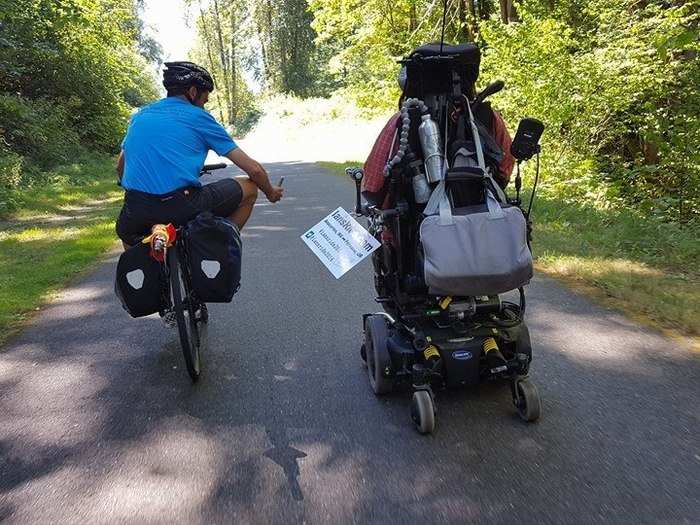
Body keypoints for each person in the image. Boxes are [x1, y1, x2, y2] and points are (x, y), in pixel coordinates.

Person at [116, 61, 283, 247]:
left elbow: (120, 167)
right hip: (181, 205)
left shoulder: (140, 116)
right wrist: (270, 191)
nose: (203, 106)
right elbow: (255, 170)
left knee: (130, 238)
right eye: (204, 100)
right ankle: (220, 246)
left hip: (136, 209)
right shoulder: (198, 117)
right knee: (250, 188)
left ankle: (143, 268)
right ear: (193, 92)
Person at [362, 66, 515, 209]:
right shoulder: (488, 117)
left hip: (414, 226)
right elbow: (505, 167)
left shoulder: (401, 120)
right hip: (480, 222)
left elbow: (373, 186)